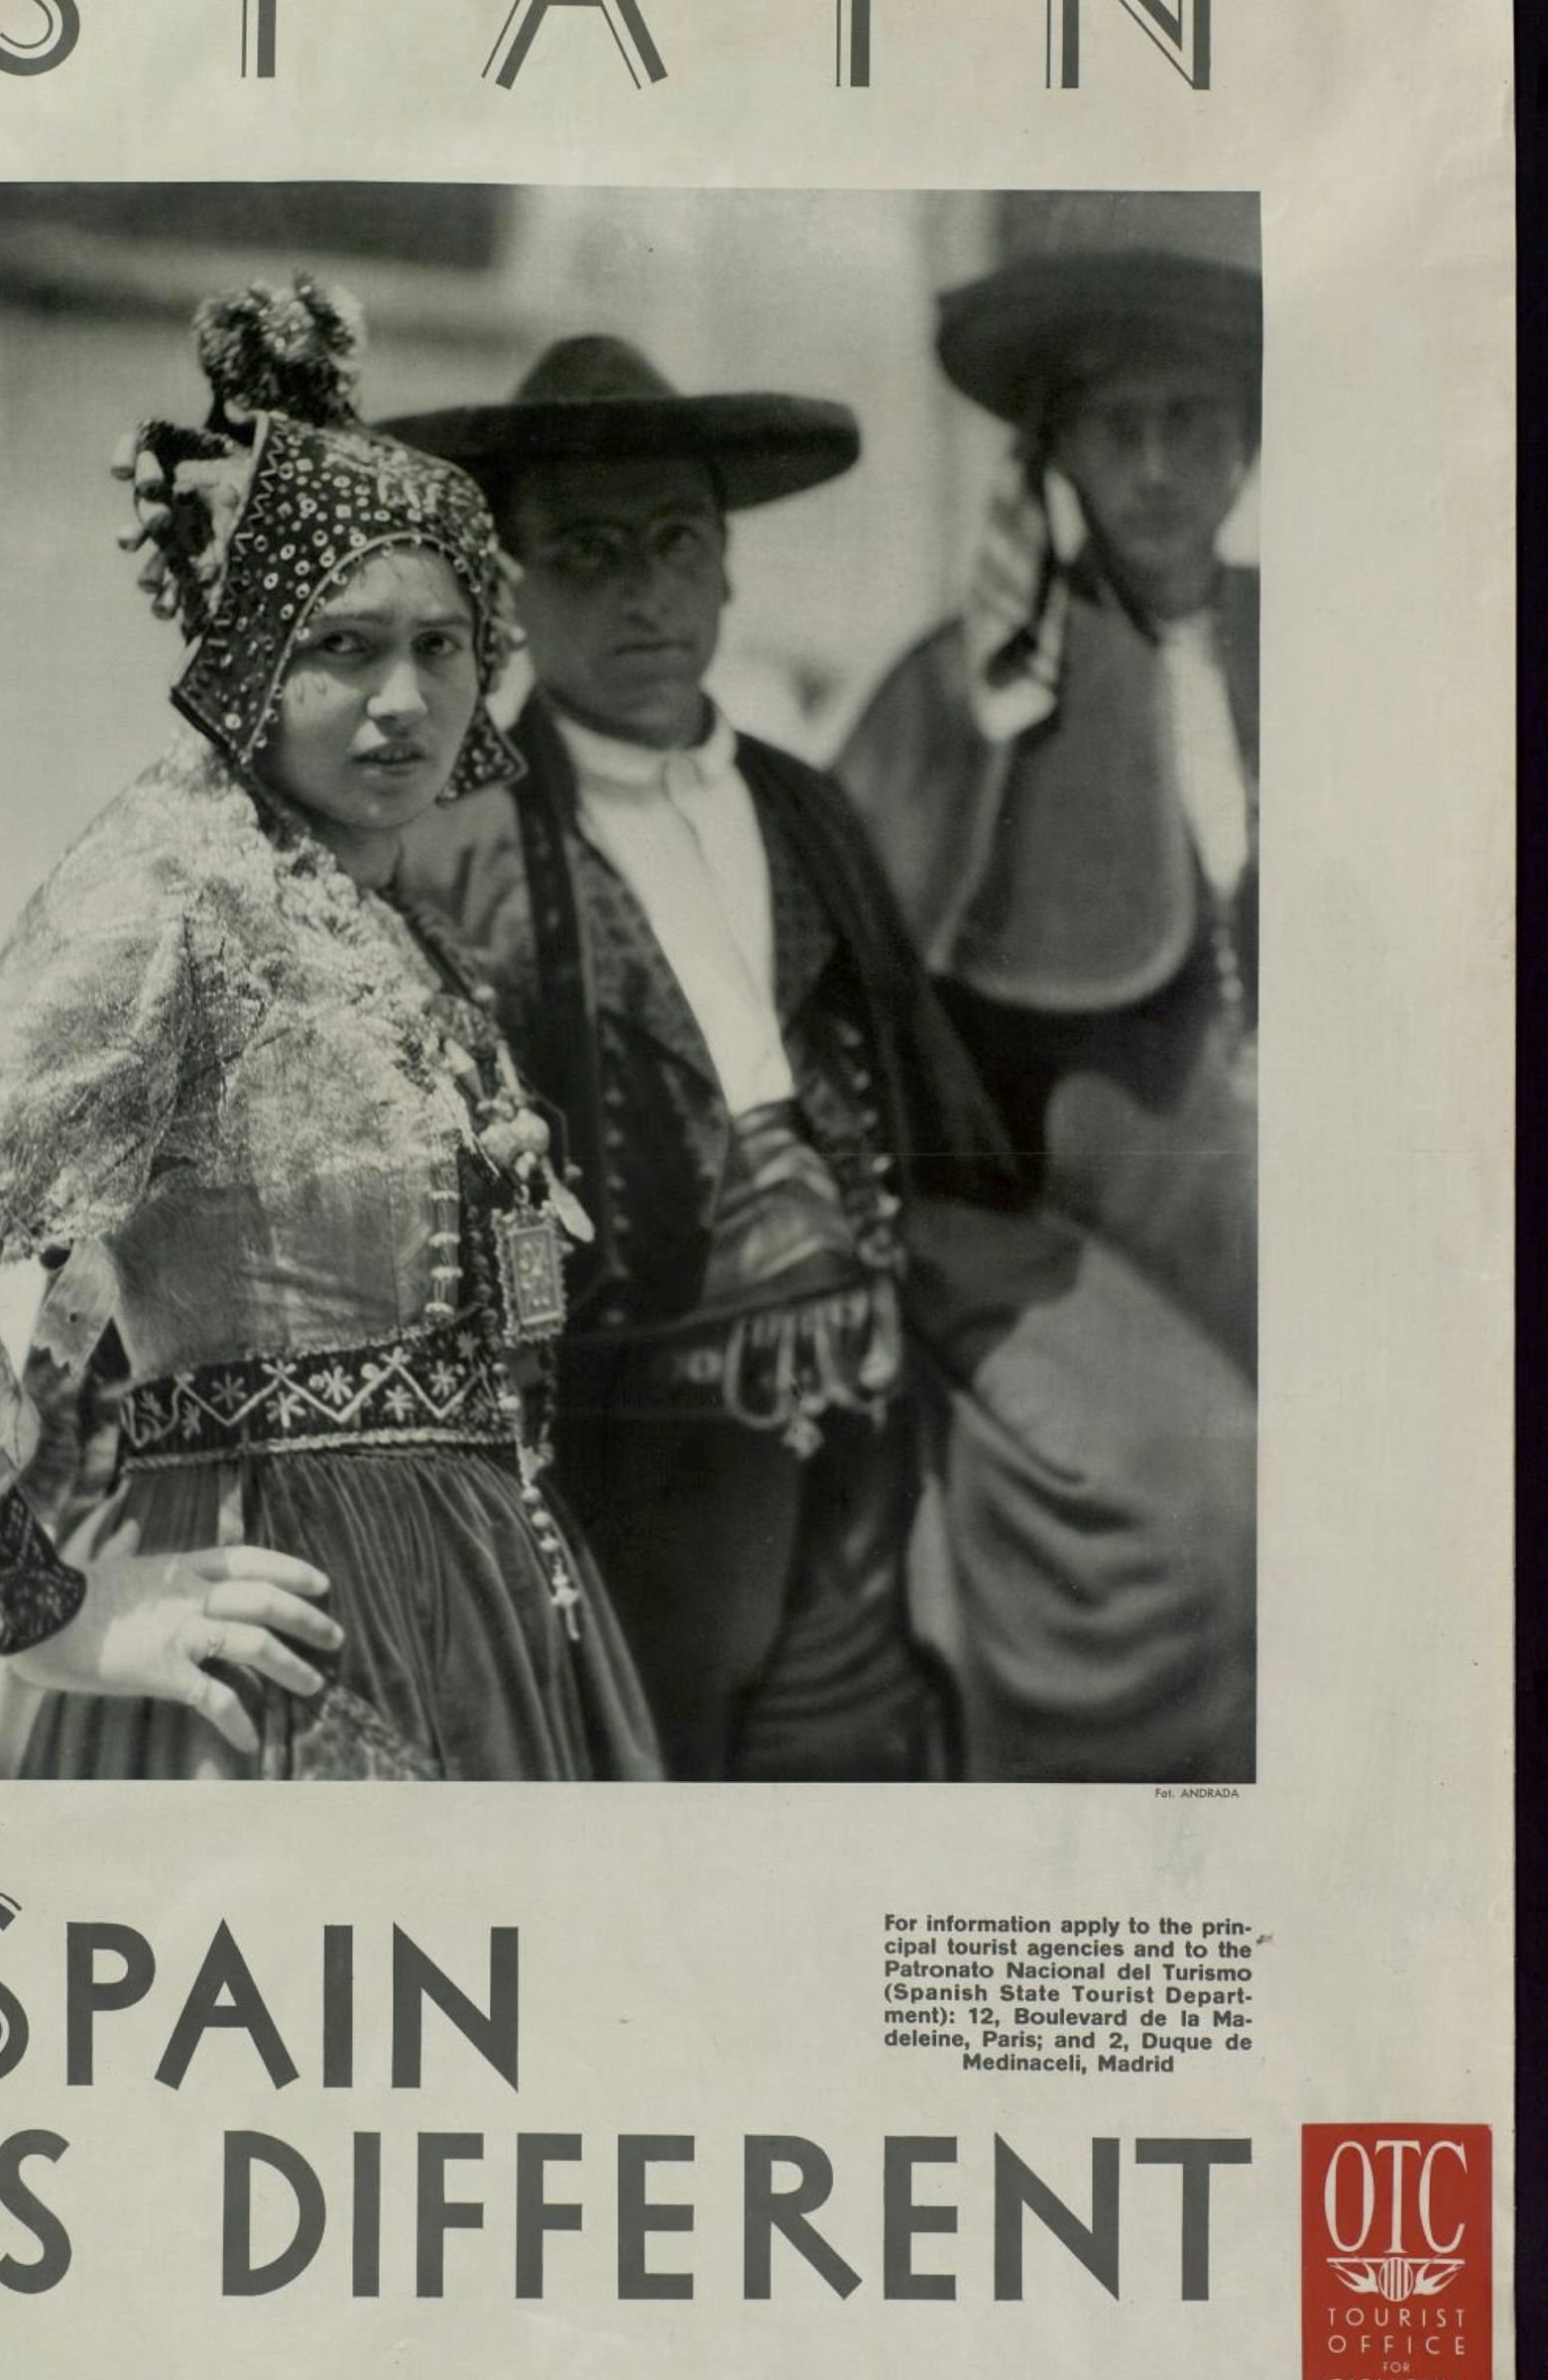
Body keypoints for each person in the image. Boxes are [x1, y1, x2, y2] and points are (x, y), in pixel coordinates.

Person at [356, 334, 1253, 1785]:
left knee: (850, 1760)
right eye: (586, 553)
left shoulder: (805, 807)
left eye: (673, 545)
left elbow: (929, 1108)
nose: (643, 591)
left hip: (858, 1419)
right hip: (633, 1446)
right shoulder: (455, 856)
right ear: (504, 590)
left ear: (724, 571)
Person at [0, 281, 660, 1783]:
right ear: (253, 653)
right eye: (341, 644)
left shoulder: (414, 937)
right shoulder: (177, 879)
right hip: (275, 1620)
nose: (402, 702)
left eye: (442, 646)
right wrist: (46, 1608)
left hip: (495, 1621)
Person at [838, 249, 1259, 1376]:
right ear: (1062, 453)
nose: (1158, 468)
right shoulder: (975, 679)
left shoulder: (1315, 641)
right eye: (1119, 429)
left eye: (1193, 421)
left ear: (1250, 443)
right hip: (1084, 1207)